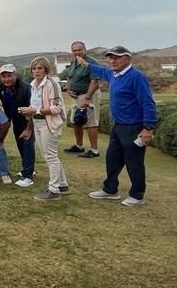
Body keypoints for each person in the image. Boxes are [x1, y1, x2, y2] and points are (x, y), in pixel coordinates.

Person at [78, 46, 157, 207]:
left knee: (133, 161)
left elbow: (148, 103)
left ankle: (137, 195)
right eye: (111, 57)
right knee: (112, 158)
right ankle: (110, 189)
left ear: (128, 58)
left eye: (117, 57)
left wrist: (148, 128)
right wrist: (85, 62)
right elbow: (100, 70)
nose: (113, 60)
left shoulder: (136, 77)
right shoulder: (113, 74)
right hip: (118, 126)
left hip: (134, 127)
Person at [18, 56, 69, 201]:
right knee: (50, 155)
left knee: (50, 157)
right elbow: (35, 106)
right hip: (38, 123)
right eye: (34, 68)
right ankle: (63, 185)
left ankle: (54, 190)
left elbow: (56, 107)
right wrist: (28, 110)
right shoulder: (33, 84)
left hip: (49, 124)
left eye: (39, 68)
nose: (36, 71)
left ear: (46, 69)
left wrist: (35, 111)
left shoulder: (52, 84)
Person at [0, 64, 36, 187]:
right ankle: (28, 168)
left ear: (15, 75)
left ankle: (28, 176)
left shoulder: (26, 88)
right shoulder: (0, 85)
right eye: (4, 76)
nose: (6, 79)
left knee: (27, 145)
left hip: (28, 120)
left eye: (9, 76)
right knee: (21, 144)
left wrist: (29, 128)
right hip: (15, 119)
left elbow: (32, 109)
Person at [65, 41, 102, 158]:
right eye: (74, 50)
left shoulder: (92, 62)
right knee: (76, 121)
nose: (77, 52)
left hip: (89, 95)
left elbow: (95, 82)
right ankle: (79, 146)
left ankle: (94, 150)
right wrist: (68, 89)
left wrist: (87, 98)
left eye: (79, 50)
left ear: (85, 50)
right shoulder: (73, 62)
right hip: (77, 96)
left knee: (91, 122)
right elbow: (70, 77)